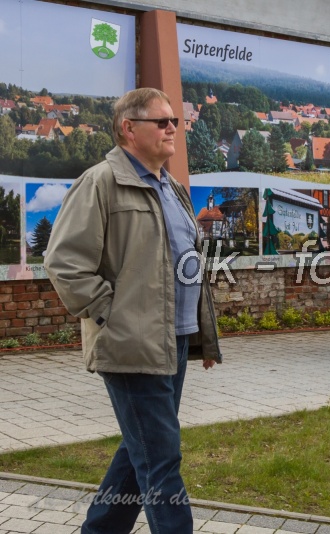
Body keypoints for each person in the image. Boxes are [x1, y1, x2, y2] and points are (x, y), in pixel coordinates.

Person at [44, 88, 222, 534]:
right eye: (161, 122)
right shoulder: (102, 182)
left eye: (175, 122)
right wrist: (111, 315)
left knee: (139, 449)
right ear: (128, 128)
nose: (171, 129)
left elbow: (182, 264)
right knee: (162, 461)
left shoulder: (171, 186)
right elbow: (64, 261)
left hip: (172, 340)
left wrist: (200, 334)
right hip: (131, 344)